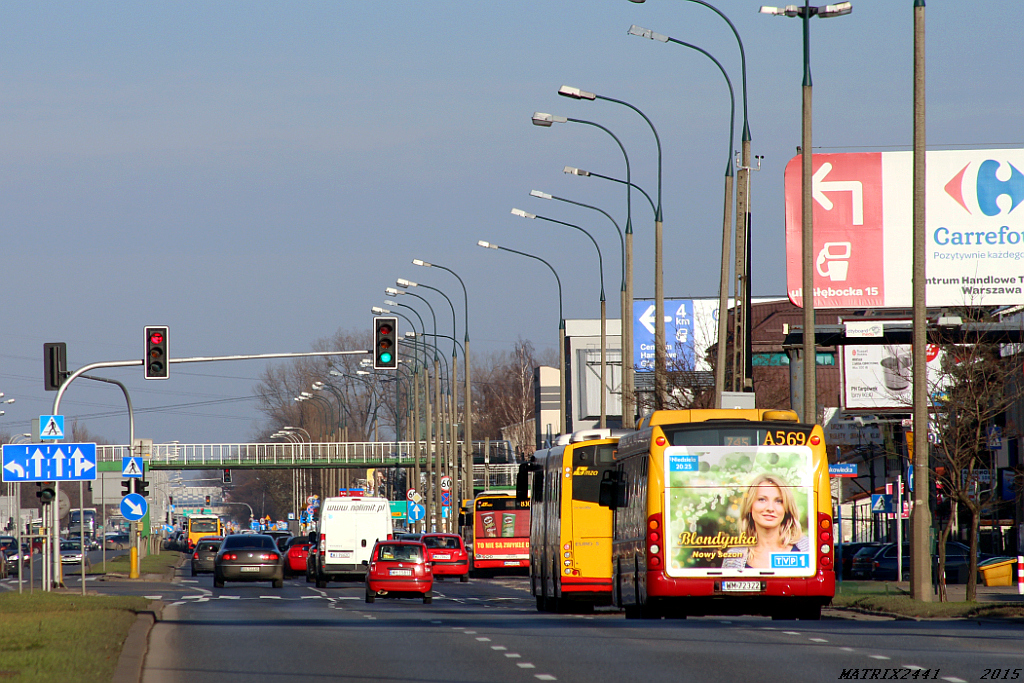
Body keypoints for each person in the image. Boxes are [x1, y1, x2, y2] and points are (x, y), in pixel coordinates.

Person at [722, 473, 809, 569]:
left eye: (778, 501)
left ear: (786, 508)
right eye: (762, 499)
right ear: (750, 506)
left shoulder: (808, 549)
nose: (770, 508)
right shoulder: (733, 558)